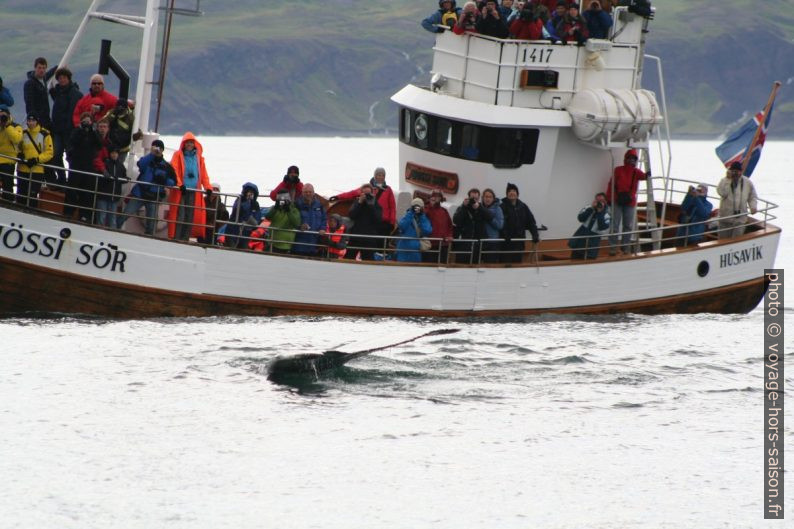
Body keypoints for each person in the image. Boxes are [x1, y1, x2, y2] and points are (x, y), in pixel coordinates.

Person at [118, 140, 176, 235]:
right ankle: (115, 230)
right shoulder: (147, 160)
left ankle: (148, 239)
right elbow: (140, 165)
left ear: (162, 150)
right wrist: (151, 154)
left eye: (159, 148)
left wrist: (164, 180)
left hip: (153, 197)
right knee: (125, 214)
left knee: (152, 224)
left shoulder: (167, 167)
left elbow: (173, 181)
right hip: (140, 194)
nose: (157, 149)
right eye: (154, 147)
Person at [167, 132, 213, 241]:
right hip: (181, 191)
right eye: (187, 142)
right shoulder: (177, 155)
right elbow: (174, 170)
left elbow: (204, 175)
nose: (189, 144)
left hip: (193, 192)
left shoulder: (199, 158)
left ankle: (185, 238)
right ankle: (176, 238)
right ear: (184, 143)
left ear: (194, 144)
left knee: (189, 216)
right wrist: (180, 184)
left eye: (191, 142)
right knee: (180, 215)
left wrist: (208, 187)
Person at [330, 167, 396, 238]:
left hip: (384, 222)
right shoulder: (367, 188)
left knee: (381, 244)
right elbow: (352, 193)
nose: (381, 177)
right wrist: (338, 197)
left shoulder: (388, 190)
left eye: (383, 175)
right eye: (379, 175)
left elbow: (392, 207)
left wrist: (392, 222)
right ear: (375, 176)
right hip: (370, 221)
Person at [605, 148, 647, 255]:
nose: (631, 160)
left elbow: (644, 177)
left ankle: (625, 247)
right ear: (626, 159)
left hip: (629, 202)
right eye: (629, 158)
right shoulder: (618, 170)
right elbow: (612, 184)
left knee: (627, 226)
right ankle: (613, 247)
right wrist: (609, 198)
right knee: (615, 225)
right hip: (617, 200)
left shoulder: (637, 172)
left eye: (633, 158)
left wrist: (648, 174)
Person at [65, 112, 102, 220]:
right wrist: (81, 130)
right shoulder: (76, 131)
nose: (87, 123)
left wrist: (92, 130)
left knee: (86, 192)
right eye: (85, 121)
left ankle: (84, 215)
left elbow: (99, 144)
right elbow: (72, 142)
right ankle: (69, 212)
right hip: (76, 164)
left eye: (88, 121)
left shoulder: (93, 133)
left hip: (88, 165)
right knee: (71, 190)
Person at [49, 67, 82, 185]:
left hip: (69, 131)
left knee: (71, 157)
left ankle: (71, 181)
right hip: (58, 130)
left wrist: (71, 129)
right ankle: (62, 178)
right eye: (60, 78)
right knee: (56, 155)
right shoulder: (58, 92)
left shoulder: (74, 93)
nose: (62, 80)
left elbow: (72, 113)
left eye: (64, 77)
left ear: (68, 78)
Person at [16, 114, 53, 208]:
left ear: (37, 121)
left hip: (37, 170)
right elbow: (17, 147)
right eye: (29, 120)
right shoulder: (23, 134)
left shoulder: (45, 134)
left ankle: (30, 213)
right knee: (21, 194)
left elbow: (49, 153)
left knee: (32, 195)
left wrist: (37, 159)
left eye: (33, 120)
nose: (31, 123)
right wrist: (19, 154)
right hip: (22, 168)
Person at [717, 161, 758, 239]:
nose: (736, 173)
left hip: (740, 220)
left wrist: (753, 207)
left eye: (738, 171)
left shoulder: (747, 182)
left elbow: (752, 196)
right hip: (725, 219)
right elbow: (722, 193)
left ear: (741, 171)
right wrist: (728, 180)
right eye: (733, 171)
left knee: (736, 241)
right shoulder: (724, 181)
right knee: (723, 242)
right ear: (730, 171)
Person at [500, 182, 539, 263]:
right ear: (507, 194)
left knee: (517, 266)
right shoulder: (502, 207)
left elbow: (531, 222)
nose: (512, 192)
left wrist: (535, 235)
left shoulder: (523, 207)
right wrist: (505, 235)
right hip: (506, 243)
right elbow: (501, 223)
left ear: (517, 194)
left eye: (514, 191)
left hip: (519, 243)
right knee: (505, 266)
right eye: (509, 191)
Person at [453, 187, 493, 263]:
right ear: (468, 198)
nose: (474, 201)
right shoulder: (463, 208)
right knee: (461, 264)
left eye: (476, 199)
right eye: (472, 198)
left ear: (479, 199)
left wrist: (479, 207)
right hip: (465, 243)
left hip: (478, 245)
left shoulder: (481, 207)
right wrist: (464, 207)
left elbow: (490, 217)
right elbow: (456, 220)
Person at [345, 182, 383, 260]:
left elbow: (378, 220)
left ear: (372, 194)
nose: (367, 196)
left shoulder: (376, 204)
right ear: (361, 194)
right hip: (355, 236)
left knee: (368, 261)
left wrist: (371, 206)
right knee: (348, 258)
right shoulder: (357, 202)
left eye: (368, 194)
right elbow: (351, 215)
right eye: (364, 194)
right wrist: (359, 203)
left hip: (368, 238)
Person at [568, 192, 611, 259]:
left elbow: (602, 227)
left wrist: (600, 212)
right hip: (580, 240)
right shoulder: (588, 208)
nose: (599, 203)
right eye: (597, 200)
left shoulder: (607, 214)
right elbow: (580, 218)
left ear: (605, 202)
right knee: (574, 259)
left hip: (593, 242)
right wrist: (591, 209)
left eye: (601, 201)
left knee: (589, 261)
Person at [95, 145, 126, 228]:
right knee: (102, 216)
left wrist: (124, 179)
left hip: (114, 196)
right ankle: (99, 233)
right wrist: (110, 177)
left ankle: (111, 235)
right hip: (103, 195)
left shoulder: (121, 166)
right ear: (109, 154)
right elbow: (99, 176)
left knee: (112, 218)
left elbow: (124, 178)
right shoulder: (105, 164)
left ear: (118, 154)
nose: (114, 154)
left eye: (116, 153)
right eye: (112, 153)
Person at [224, 182, 261, 248]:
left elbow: (256, 220)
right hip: (232, 232)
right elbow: (237, 211)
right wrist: (246, 204)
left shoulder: (255, 205)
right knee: (231, 250)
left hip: (245, 234)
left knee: (244, 250)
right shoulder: (239, 200)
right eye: (249, 192)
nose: (250, 194)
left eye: (252, 193)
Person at [293, 183, 327, 256]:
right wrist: (299, 226)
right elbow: (292, 220)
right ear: (302, 193)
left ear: (313, 192)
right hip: (300, 245)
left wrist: (323, 228)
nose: (308, 194)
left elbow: (324, 218)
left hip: (315, 244)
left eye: (310, 192)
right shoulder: (297, 204)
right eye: (306, 192)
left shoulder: (319, 205)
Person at [23, 57, 56, 130]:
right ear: (35, 68)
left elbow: (48, 74)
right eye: (39, 68)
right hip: (38, 121)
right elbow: (29, 104)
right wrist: (33, 120)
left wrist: (58, 67)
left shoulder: (42, 79)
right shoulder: (30, 84)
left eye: (44, 68)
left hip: (46, 119)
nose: (42, 70)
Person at [396, 198, 433, 263]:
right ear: (411, 207)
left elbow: (428, 231)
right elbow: (402, 226)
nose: (417, 209)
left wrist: (422, 216)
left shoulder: (423, 218)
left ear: (422, 208)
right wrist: (411, 213)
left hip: (415, 249)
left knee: (414, 270)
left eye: (419, 207)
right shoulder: (407, 216)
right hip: (403, 248)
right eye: (415, 207)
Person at [265, 190, 301, 254]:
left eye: (285, 199)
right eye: (280, 199)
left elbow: (296, 223)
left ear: (289, 199)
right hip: (272, 243)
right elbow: (267, 217)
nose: (283, 201)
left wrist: (288, 210)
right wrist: (276, 207)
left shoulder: (294, 210)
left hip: (286, 245)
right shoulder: (274, 209)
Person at [423, 189, 454, 263]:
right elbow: (422, 218)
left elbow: (450, 226)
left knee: (442, 267)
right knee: (429, 267)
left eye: (438, 196)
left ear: (441, 198)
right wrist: (431, 205)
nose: (436, 198)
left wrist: (449, 236)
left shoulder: (444, 211)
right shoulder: (426, 209)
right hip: (430, 245)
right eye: (434, 196)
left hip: (443, 245)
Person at [0, 105, 22, 201]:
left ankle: (8, 203)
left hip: (8, 160)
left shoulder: (16, 126)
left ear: (9, 115)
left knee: (8, 185)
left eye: (3, 116)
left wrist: (7, 126)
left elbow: (16, 139)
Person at [480, 188, 504, 263]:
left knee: (490, 266)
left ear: (493, 198)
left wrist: (490, 219)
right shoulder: (479, 208)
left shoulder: (498, 209)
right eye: (486, 197)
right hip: (480, 242)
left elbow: (500, 225)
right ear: (483, 198)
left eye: (490, 197)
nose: (488, 199)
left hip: (492, 243)